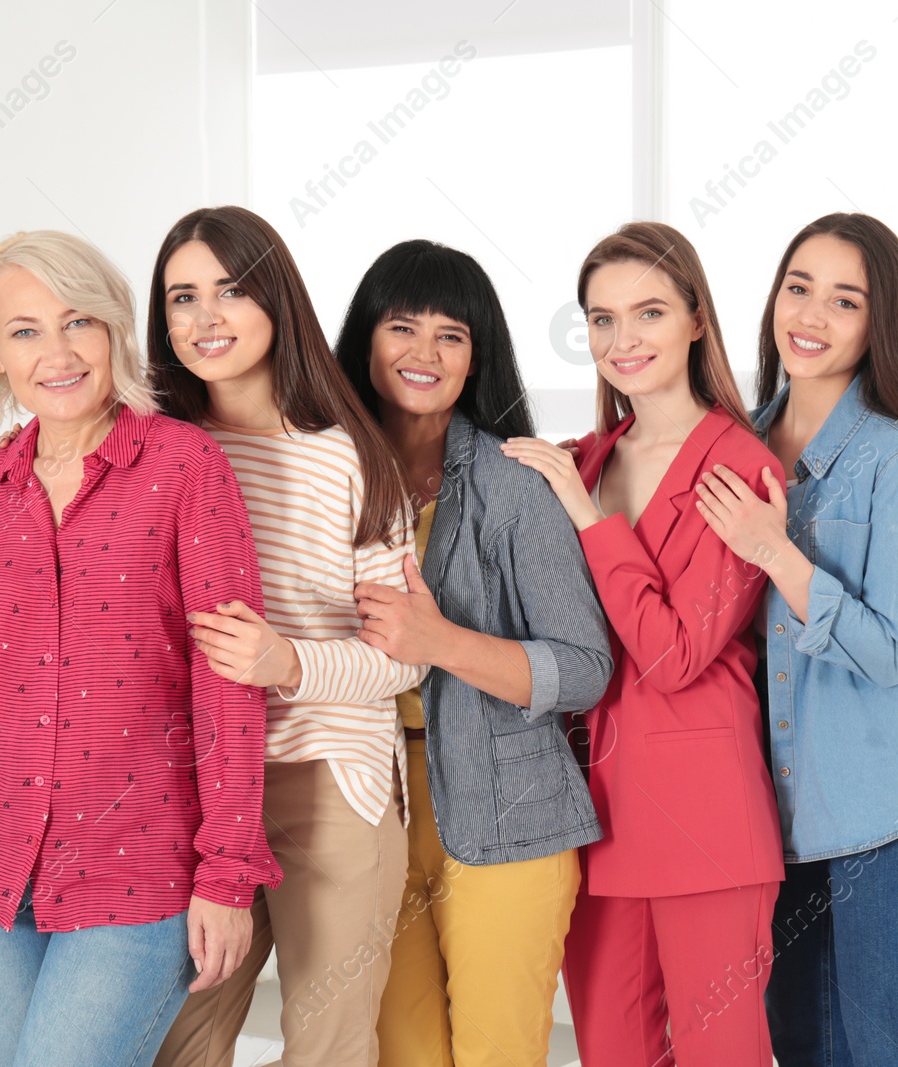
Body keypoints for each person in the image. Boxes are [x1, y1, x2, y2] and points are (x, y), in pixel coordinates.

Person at [0, 230, 280, 1067]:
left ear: (115, 331)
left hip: (136, 877)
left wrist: (227, 875)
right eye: (25, 330)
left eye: (78, 322)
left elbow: (228, 683)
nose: (55, 353)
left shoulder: (185, 467)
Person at [145, 206, 424, 1067]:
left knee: (327, 1045)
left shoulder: (349, 455)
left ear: (276, 299)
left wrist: (287, 662)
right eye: (181, 297)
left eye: (229, 291)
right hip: (187, 790)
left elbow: (406, 652)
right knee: (174, 1044)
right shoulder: (150, 449)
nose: (204, 319)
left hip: (330, 782)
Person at [503, 221, 784, 1065]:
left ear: (697, 319)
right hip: (594, 816)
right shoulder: (586, 457)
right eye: (601, 319)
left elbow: (672, 654)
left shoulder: (740, 466)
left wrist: (591, 521)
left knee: (720, 1053)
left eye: (649, 313)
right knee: (611, 1050)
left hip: (705, 815)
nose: (622, 341)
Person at [696, 212, 898, 1065]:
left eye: (843, 301)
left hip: (888, 808)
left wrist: (775, 550)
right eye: (798, 287)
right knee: (801, 1041)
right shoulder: (735, 448)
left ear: (876, 322)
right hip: (780, 811)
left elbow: (890, 652)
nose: (810, 316)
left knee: (885, 1044)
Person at [330, 239, 612, 1067]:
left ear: (476, 355)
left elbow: (584, 667)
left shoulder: (515, 483)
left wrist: (439, 641)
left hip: (509, 809)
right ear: (365, 340)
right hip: (365, 812)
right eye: (401, 328)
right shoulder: (326, 473)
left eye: (451, 335)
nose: (424, 353)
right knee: (402, 1056)